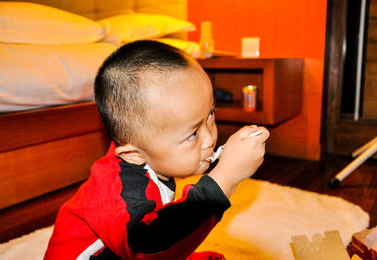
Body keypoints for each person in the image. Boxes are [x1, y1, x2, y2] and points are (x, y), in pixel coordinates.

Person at [45, 40, 269, 259]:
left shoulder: (146, 160)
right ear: (133, 154)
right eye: (192, 134)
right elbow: (150, 247)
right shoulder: (119, 192)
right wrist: (224, 178)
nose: (210, 138)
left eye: (210, 114)